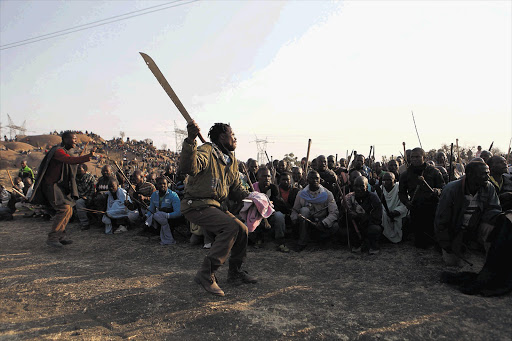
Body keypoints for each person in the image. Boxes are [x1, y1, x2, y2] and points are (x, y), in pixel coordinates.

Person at [180, 121, 256, 297]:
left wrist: (254, 197)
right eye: (233, 134)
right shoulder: (207, 150)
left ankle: (235, 272)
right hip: (197, 204)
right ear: (223, 137)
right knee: (229, 227)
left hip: (216, 206)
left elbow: (236, 188)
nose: (235, 138)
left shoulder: (231, 159)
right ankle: (206, 274)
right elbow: (188, 167)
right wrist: (191, 141)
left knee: (242, 229)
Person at [30, 131, 95, 247]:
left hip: (57, 186)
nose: (76, 141)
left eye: (76, 139)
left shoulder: (64, 151)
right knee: (64, 209)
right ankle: (53, 237)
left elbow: (70, 161)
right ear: (65, 140)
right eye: (73, 139)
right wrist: (88, 156)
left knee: (69, 209)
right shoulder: (58, 151)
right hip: (51, 186)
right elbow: (70, 160)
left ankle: (60, 236)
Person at [435, 161, 501, 266]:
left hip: (476, 227)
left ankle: (491, 257)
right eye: (484, 173)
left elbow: (494, 209)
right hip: (456, 229)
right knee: (452, 262)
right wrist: (446, 242)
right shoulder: (451, 189)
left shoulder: (489, 188)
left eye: (488, 173)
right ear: (470, 174)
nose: (487, 177)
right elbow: (442, 219)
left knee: (492, 227)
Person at [399, 147, 444, 248]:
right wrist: (406, 203)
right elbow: (401, 193)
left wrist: (438, 191)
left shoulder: (434, 172)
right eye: (412, 157)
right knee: (420, 242)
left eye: (417, 157)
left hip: (432, 206)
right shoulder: (405, 175)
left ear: (424, 157)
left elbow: (443, 187)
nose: (414, 159)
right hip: (416, 207)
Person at [291, 170, 338, 252]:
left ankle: (321, 241)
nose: (314, 180)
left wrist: (324, 223)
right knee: (304, 210)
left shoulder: (327, 194)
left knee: (335, 226)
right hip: (306, 222)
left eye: (317, 178)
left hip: (321, 222)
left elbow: (334, 213)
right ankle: (302, 242)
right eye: (312, 178)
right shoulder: (301, 194)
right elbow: (295, 210)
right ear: (307, 180)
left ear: (320, 180)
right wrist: (294, 219)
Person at [252, 167, 289, 252]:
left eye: (269, 176)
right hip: (256, 213)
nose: (267, 178)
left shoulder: (273, 188)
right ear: (258, 177)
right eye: (264, 176)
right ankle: (257, 239)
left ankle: (280, 242)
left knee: (279, 216)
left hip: (270, 212)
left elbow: (277, 203)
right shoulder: (253, 188)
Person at [345, 176, 383, 254]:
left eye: (361, 186)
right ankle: (358, 245)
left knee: (374, 229)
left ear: (366, 186)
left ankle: (373, 246)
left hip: (369, 225)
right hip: (355, 226)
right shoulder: (349, 198)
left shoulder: (373, 198)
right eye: (356, 186)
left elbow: (377, 218)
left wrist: (359, 216)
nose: (358, 189)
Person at [145, 177, 181, 245]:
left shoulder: (173, 195)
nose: (162, 185)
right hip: (160, 217)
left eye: (164, 183)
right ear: (156, 185)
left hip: (171, 218)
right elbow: (151, 209)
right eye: (160, 184)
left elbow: (178, 213)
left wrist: (167, 215)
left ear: (167, 184)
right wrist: (147, 216)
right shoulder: (154, 195)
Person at [379, 172, 408, 243]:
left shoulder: (400, 188)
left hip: (398, 212)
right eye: (384, 180)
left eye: (388, 180)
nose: (385, 182)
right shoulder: (380, 189)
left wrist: (396, 211)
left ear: (394, 181)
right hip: (385, 213)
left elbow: (406, 203)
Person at [75, 164, 96, 230]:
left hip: (88, 197)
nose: (77, 170)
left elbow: (93, 190)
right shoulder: (75, 178)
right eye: (77, 169)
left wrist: (87, 197)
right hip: (77, 196)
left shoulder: (90, 178)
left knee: (79, 203)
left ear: (85, 170)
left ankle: (85, 223)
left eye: (79, 169)